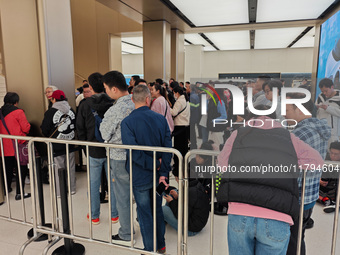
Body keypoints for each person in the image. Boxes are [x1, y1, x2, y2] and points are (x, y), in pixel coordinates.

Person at [216, 106, 324, 255]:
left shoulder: (238, 134)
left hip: (240, 211)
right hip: (277, 214)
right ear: (275, 118)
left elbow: (222, 165)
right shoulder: (289, 137)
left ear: (250, 117)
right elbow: (316, 161)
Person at [121, 85, 172, 253]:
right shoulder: (161, 120)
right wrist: (162, 171)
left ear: (132, 99)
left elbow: (133, 152)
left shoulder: (127, 122)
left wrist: (152, 164)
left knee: (144, 213)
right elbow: (167, 149)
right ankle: (161, 245)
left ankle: (149, 249)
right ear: (149, 99)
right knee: (157, 209)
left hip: (139, 175)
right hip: (158, 176)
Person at [285, 93, 331, 255]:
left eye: (288, 109)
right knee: (298, 239)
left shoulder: (300, 134)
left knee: (290, 242)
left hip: (296, 197)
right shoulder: (318, 128)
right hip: (310, 196)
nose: (284, 114)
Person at [76, 72, 117, 224]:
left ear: (91, 87)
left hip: (93, 148)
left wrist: (86, 148)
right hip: (111, 148)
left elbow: (80, 129)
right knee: (113, 182)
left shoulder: (85, 105)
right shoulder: (113, 103)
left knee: (93, 184)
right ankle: (114, 215)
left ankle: (94, 216)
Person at [100, 71, 135, 245]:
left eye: (106, 88)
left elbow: (105, 133)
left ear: (114, 89)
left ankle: (126, 232)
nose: (105, 92)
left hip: (119, 157)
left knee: (122, 195)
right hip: (139, 156)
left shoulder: (115, 110)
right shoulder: (139, 104)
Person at [40, 90, 76, 196]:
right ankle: (72, 188)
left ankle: (60, 191)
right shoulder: (72, 110)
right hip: (70, 143)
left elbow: (45, 129)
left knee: (58, 167)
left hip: (56, 145)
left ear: (54, 99)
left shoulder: (50, 112)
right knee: (71, 166)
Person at [0, 92, 31, 200]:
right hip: (17, 144)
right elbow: (26, 128)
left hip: (3, 146)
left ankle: (6, 189)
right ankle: (19, 193)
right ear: (16, 102)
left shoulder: (0, 112)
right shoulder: (18, 112)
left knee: (6, 168)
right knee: (20, 168)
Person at [171, 86, 190, 177]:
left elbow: (174, 112)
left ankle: (178, 166)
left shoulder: (179, 101)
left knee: (178, 147)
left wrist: (167, 108)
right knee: (184, 148)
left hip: (179, 126)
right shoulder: (186, 101)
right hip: (185, 126)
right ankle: (184, 165)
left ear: (176, 93)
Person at [316, 78, 340, 145]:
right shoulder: (320, 97)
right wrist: (316, 108)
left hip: (334, 133)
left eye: (326, 91)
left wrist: (328, 108)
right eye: (322, 91)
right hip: (320, 131)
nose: (324, 93)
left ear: (332, 87)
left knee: (333, 153)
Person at [321, 141, 340, 213]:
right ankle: (328, 201)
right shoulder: (326, 159)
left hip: (336, 187)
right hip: (324, 187)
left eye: (336, 154)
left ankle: (330, 201)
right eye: (331, 153)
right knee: (311, 188)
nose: (333, 156)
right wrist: (319, 180)